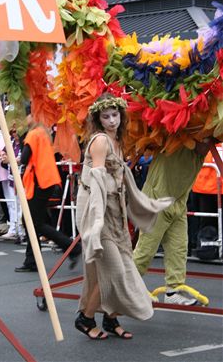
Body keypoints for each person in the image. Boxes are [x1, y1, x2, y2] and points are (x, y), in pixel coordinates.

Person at [75, 93, 173, 340]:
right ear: (98, 119)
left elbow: (118, 178)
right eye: (106, 116)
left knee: (114, 267)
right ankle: (85, 319)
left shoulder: (116, 139)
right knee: (114, 270)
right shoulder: (100, 141)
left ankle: (110, 318)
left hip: (114, 211)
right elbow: (97, 181)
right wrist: (97, 222)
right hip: (97, 211)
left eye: (115, 115)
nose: (111, 120)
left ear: (121, 115)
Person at [133, 139, 212, 305]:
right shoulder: (173, 138)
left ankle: (173, 292)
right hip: (155, 201)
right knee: (146, 250)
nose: (209, 144)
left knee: (179, 249)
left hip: (178, 203)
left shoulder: (198, 152)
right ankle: (127, 289)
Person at [15, 121, 82, 272]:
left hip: (39, 182)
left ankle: (70, 247)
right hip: (45, 181)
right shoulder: (42, 133)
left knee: (33, 223)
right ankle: (34, 259)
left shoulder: (33, 134)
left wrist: (12, 159)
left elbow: (25, 158)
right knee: (33, 222)